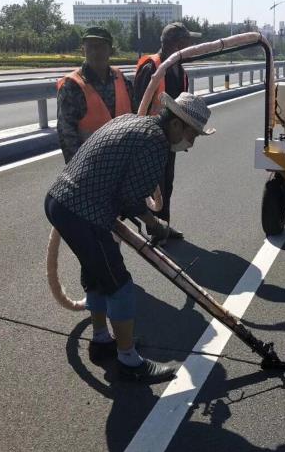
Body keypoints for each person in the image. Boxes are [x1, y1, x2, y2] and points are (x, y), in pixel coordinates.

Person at [45, 92, 215, 382]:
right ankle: (129, 362)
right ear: (176, 124)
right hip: (84, 214)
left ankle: (101, 342)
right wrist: (154, 223)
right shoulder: (156, 143)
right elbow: (130, 198)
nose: (191, 144)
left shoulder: (132, 121)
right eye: (192, 135)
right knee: (120, 285)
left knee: (97, 274)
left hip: (59, 200)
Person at [133, 22, 202, 239]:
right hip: (150, 139)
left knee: (167, 183)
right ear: (176, 44)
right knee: (155, 186)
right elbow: (139, 105)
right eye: (187, 42)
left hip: (169, 138)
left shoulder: (178, 69)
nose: (191, 47)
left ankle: (164, 225)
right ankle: (155, 230)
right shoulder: (152, 68)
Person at [56, 27, 136, 163]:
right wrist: (77, 168)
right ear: (83, 50)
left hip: (124, 161)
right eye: (90, 47)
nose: (95, 52)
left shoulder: (122, 79)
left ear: (111, 50)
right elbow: (66, 133)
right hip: (91, 165)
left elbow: (136, 117)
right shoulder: (72, 85)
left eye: (101, 47)